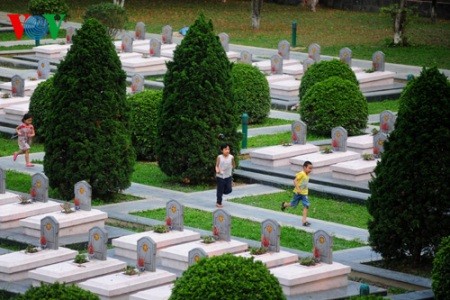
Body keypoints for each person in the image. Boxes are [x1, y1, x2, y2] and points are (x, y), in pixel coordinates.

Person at [281, 161, 313, 226]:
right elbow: (295, 181)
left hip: (304, 194)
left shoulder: (307, 175)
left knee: (306, 205)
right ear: (304, 167)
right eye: (309, 168)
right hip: (297, 193)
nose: (310, 170)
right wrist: (298, 189)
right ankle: (284, 204)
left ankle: (304, 221)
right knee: (293, 204)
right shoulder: (301, 173)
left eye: (311, 168)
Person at [215, 143, 236, 208]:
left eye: (228, 149)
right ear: (222, 150)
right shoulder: (219, 157)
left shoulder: (231, 157)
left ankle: (221, 191)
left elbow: (233, 164)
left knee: (229, 190)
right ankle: (219, 202)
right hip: (220, 176)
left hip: (228, 176)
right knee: (220, 190)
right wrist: (217, 170)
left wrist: (233, 166)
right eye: (225, 149)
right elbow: (216, 166)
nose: (227, 150)